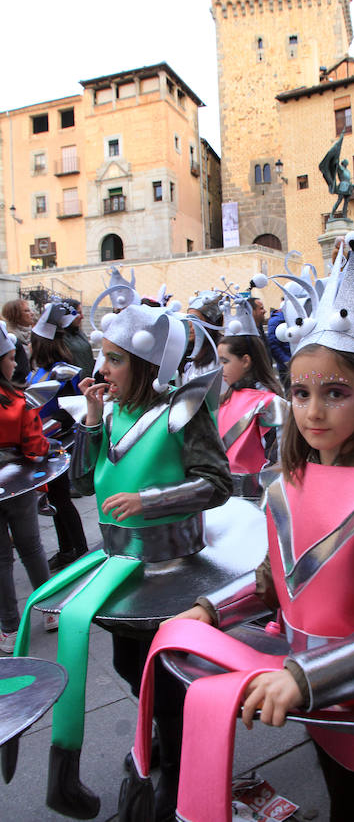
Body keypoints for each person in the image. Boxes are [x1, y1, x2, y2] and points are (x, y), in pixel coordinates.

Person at [122, 223, 354, 822]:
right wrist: (209, 612)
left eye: (335, 393)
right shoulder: (287, 486)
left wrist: (303, 678)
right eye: (300, 393)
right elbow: (271, 582)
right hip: (306, 691)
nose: (312, 411)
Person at [13, 299, 233, 819]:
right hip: (119, 566)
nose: (100, 370)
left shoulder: (185, 409)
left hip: (171, 573)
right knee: (129, 667)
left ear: (144, 365)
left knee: (171, 679)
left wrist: (152, 499)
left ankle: (177, 776)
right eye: (102, 357)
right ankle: (157, 734)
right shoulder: (112, 411)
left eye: (113, 359)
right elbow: (86, 483)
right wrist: (90, 419)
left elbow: (219, 483)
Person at [0, 322, 56, 654]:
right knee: (32, 547)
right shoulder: (19, 400)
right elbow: (36, 448)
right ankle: (50, 611)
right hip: (18, 485)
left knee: (0, 560)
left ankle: (8, 628)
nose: (14, 362)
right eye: (9, 357)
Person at [28, 303, 89, 570]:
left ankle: (81, 551)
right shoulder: (42, 370)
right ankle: (67, 549)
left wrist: (44, 433)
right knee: (54, 499)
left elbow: (68, 411)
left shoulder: (61, 371)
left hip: (59, 444)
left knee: (61, 499)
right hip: (45, 445)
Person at [217, 296, 287, 481]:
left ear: (246, 361)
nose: (221, 368)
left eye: (225, 361)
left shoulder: (269, 402)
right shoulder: (226, 397)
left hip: (255, 494)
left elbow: (282, 458)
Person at [2, 297, 35, 380]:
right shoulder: (9, 338)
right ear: (15, 314)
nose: (32, 313)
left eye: (30, 310)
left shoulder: (34, 334)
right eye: (26, 311)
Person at [63, 299, 95, 379]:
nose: (82, 317)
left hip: (88, 381)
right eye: (78, 313)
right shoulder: (59, 338)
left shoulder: (80, 333)